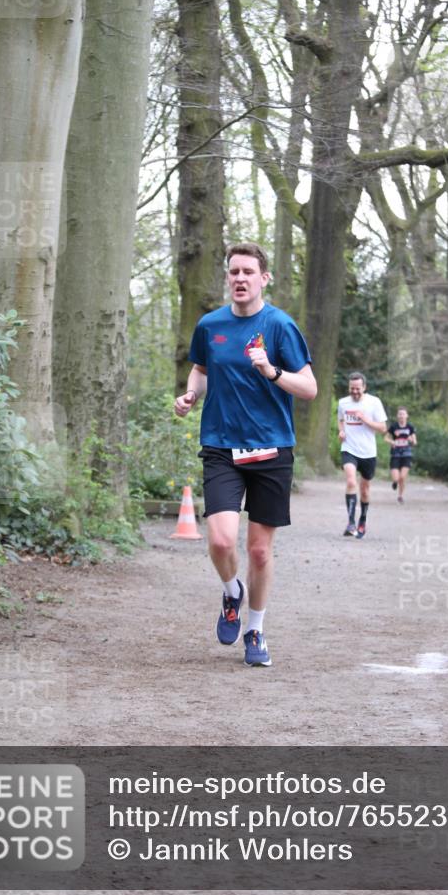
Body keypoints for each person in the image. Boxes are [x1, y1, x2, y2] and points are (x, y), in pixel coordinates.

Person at [174, 243, 317, 668]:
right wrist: (189, 396)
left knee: (258, 551)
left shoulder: (280, 326)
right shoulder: (210, 325)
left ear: (264, 278)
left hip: (272, 448)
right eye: (234, 272)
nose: (240, 278)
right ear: (228, 278)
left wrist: (271, 371)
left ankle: (255, 629)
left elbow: (309, 387)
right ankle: (231, 591)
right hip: (221, 445)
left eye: (248, 272)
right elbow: (200, 370)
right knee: (219, 540)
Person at [337, 372, 387, 539]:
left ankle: (362, 520)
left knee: (365, 490)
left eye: (358, 388)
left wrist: (366, 420)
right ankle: (351, 523)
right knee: (351, 480)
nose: (355, 391)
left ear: (364, 387)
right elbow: (341, 420)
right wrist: (341, 431)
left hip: (368, 452)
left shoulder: (374, 402)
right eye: (352, 388)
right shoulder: (343, 402)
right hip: (349, 448)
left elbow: (383, 428)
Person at [385, 406, 417, 503]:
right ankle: (395, 482)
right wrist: (392, 442)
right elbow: (385, 438)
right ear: (397, 416)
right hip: (395, 454)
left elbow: (415, 442)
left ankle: (400, 496)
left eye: (403, 414)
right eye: (400, 414)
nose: (401, 416)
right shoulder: (393, 426)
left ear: (407, 416)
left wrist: (411, 440)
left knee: (402, 477)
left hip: (406, 453)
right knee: (396, 478)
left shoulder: (410, 427)